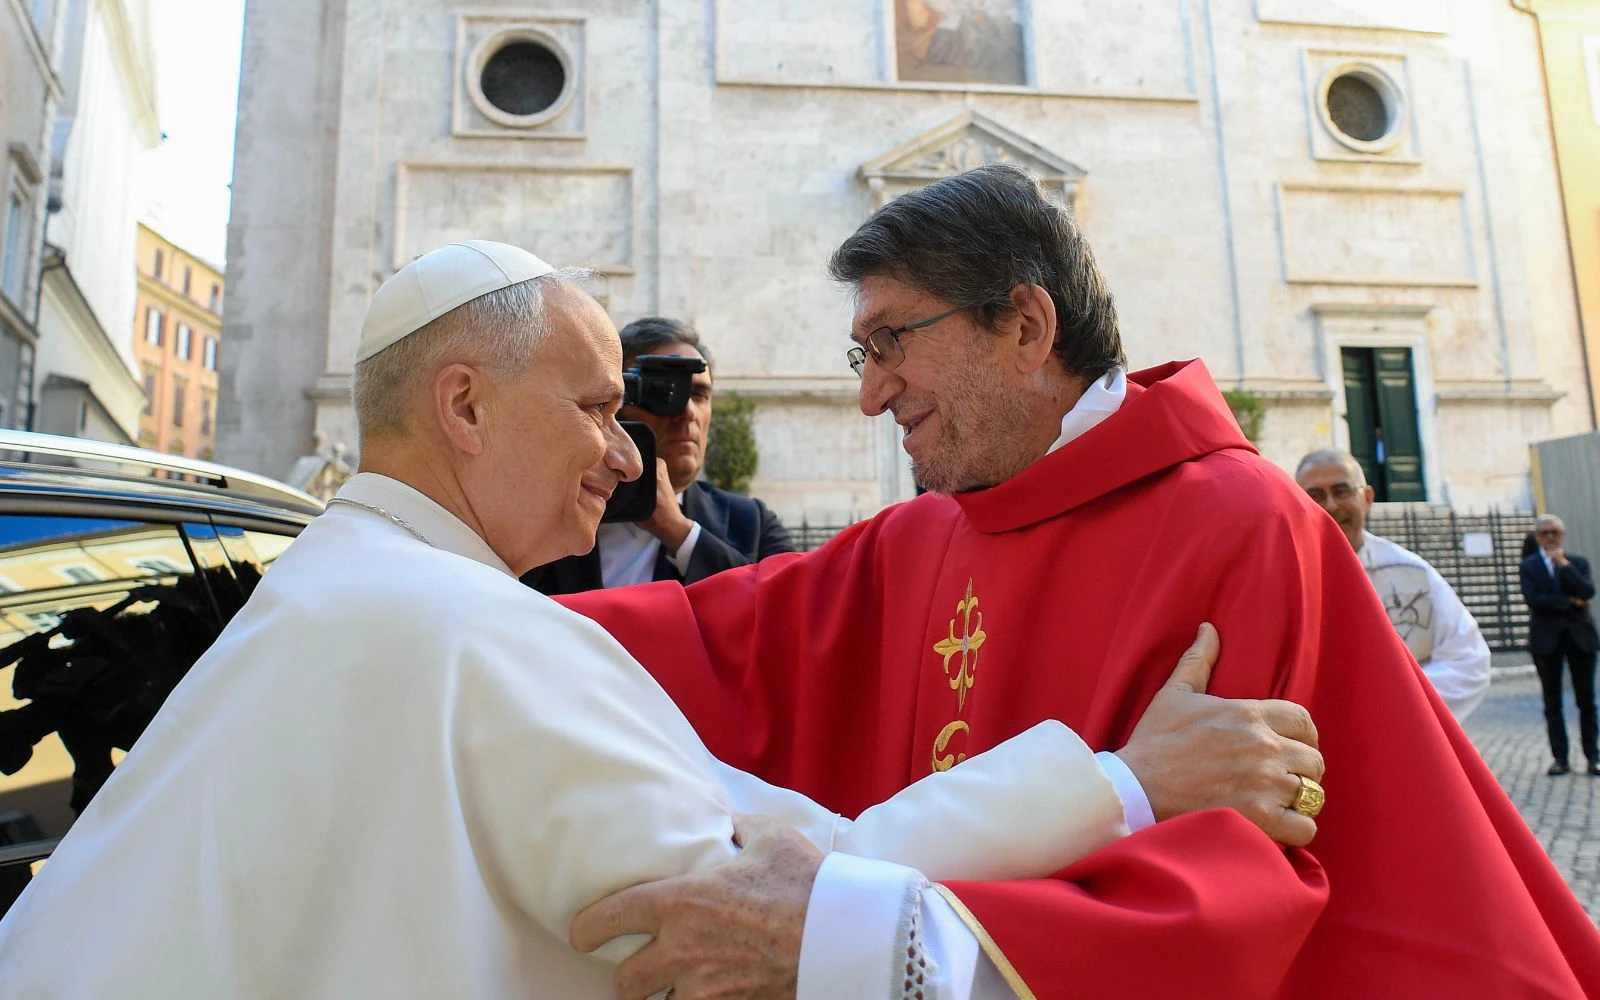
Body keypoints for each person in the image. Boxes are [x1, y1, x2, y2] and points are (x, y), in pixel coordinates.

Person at [0, 241, 1329, 998]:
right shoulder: (462, 631)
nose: (628, 455)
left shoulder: (331, 587)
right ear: (463, 407)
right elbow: (741, 912)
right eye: (594, 408)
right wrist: (1121, 782)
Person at [560, 166, 1600, 998]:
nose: (871, 395)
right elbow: (712, 643)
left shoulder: (1237, 526)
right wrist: (475, 609)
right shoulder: (920, 536)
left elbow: (1235, 893)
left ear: (1025, 326)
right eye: (858, 354)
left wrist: (867, 942)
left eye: (891, 342)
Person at [522, 317, 794, 595]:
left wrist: (682, 535)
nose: (687, 411)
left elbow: (788, 605)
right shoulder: (544, 518)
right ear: (614, 403)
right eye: (665, 392)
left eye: (699, 394)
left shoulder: (752, 524)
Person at [1293, 449, 1491, 720]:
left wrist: (1389, 698)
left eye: (1341, 491)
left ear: (1368, 498)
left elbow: (1469, 661)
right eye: (1315, 496)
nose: (1331, 506)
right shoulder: (1283, 579)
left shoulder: (1410, 573)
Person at [1520, 514, 1599, 776]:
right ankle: (1560, 758)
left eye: (1555, 532)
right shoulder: (1529, 566)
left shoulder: (1577, 563)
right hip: (1546, 640)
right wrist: (1571, 602)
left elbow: (1587, 591)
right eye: (1545, 533)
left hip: (1580, 638)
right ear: (1537, 537)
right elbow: (1534, 599)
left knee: (1586, 701)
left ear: (1562, 535)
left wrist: (1563, 565)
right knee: (1552, 703)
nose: (1550, 537)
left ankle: (1593, 756)